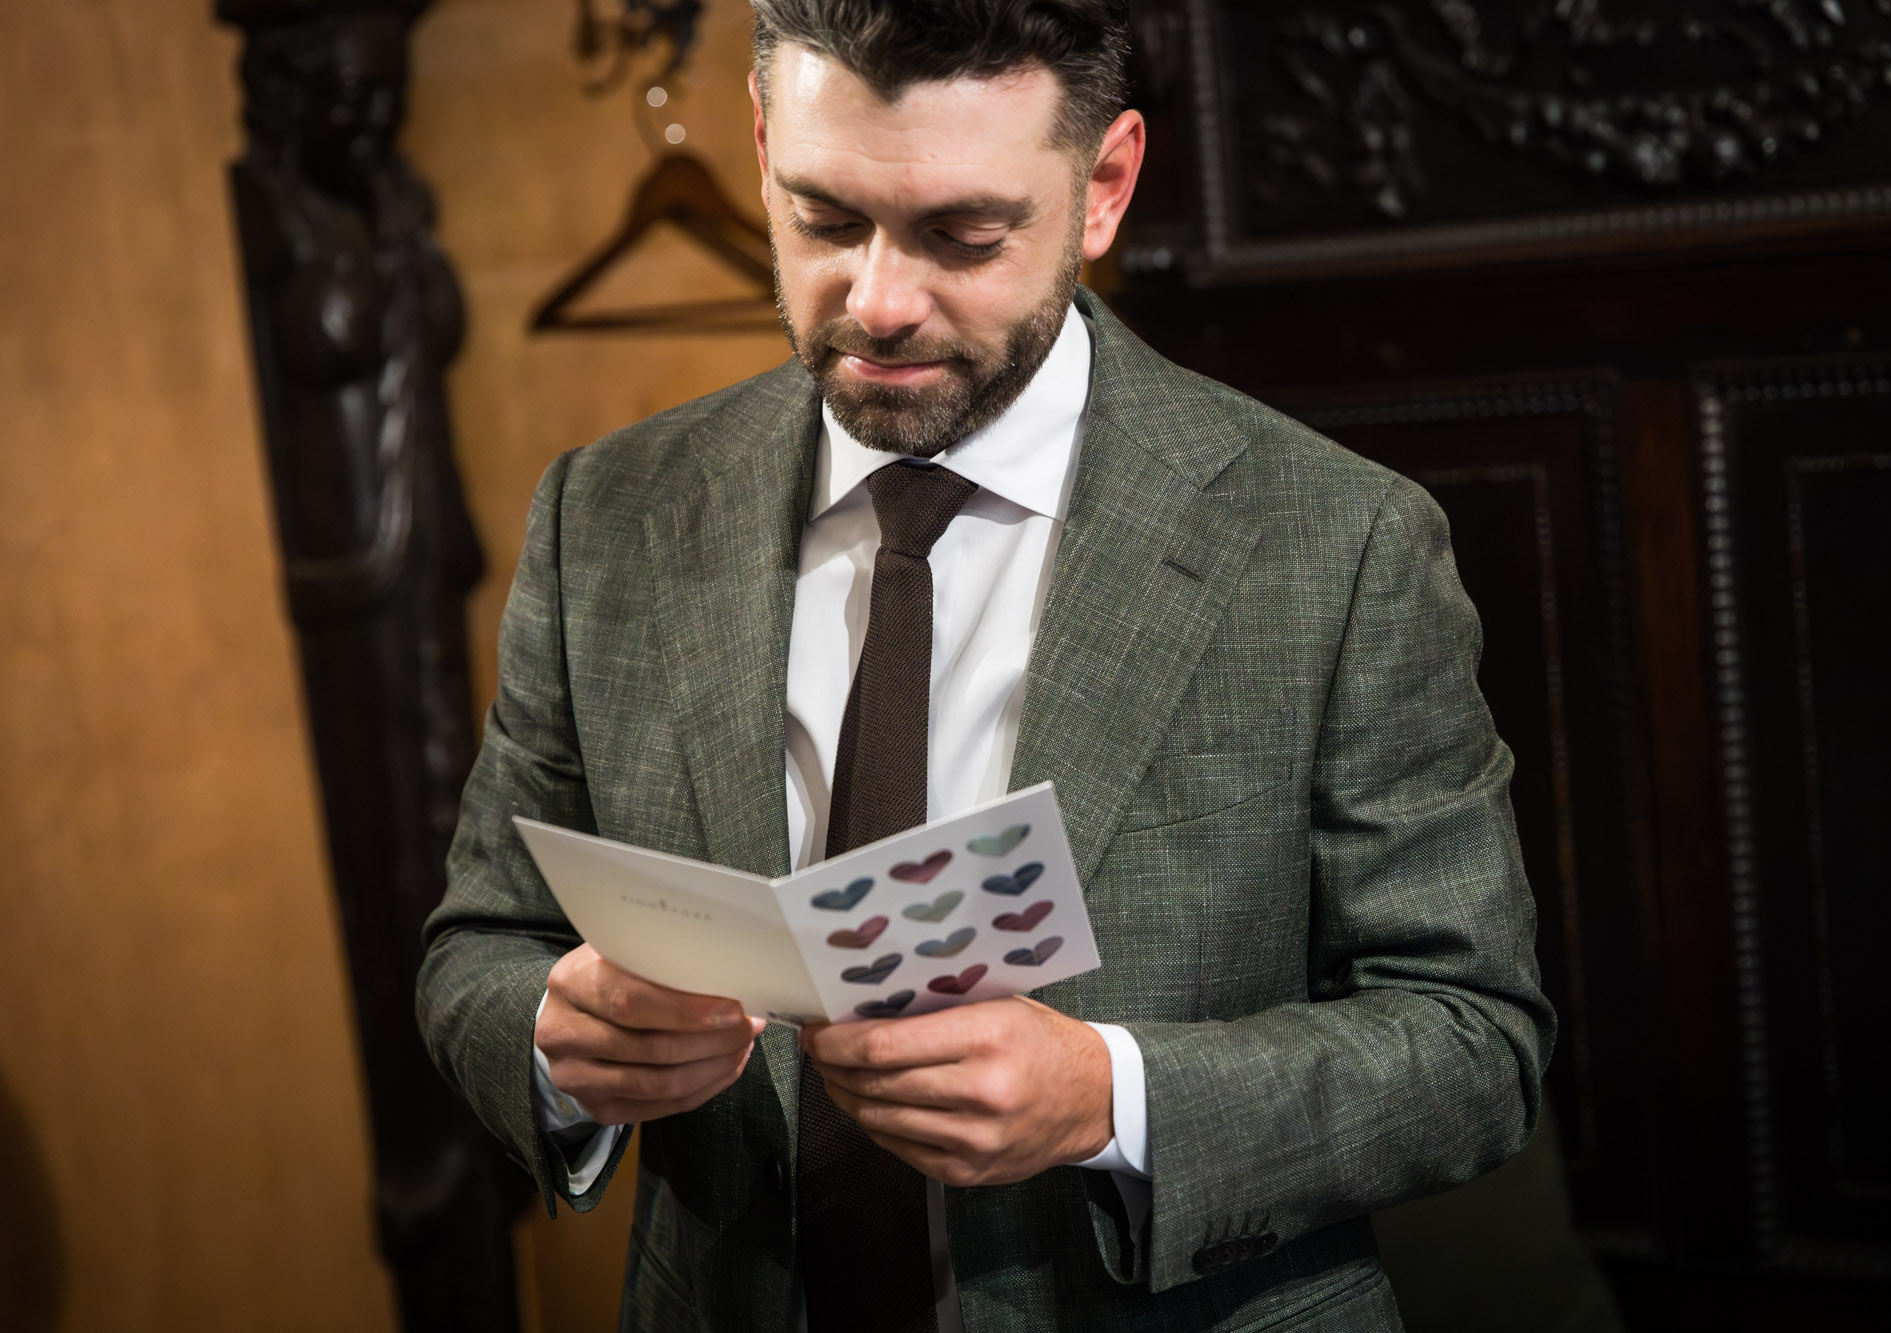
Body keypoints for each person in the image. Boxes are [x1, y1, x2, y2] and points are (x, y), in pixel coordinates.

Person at [416, 0, 1556, 1328]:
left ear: (1105, 186)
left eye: (963, 236)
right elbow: (476, 948)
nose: (880, 302)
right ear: (761, 133)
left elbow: (1477, 1045)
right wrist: (557, 1038)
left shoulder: (1340, 543)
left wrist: (1109, 1096)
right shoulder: (606, 514)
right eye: (825, 218)